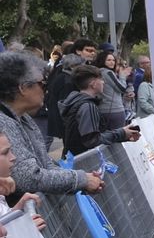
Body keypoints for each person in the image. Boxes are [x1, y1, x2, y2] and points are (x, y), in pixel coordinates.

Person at [0, 52, 104, 200]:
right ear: (23, 88)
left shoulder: (23, 118)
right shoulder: (3, 123)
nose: (46, 89)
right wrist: (81, 179)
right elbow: (28, 177)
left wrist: (82, 179)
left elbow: (46, 164)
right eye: (42, 84)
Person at [61, 66, 139, 156]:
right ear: (93, 84)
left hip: (75, 159)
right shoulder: (88, 106)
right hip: (83, 161)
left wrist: (123, 134)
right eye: (101, 79)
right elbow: (92, 140)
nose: (103, 82)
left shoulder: (78, 101)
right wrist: (121, 133)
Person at [93, 49, 131, 131]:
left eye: (113, 60)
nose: (112, 62)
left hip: (103, 109)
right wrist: (122, 76)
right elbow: (121, 88)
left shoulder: (97, 72)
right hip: (114, 110)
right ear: (102, 60)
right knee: (118, 135)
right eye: (109, 60)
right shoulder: (108, 72)